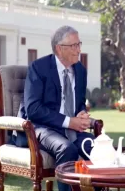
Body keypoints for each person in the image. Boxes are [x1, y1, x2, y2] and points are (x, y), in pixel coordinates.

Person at [23, 25, 96, 191]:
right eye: (73, 46)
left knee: (98, 147)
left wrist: (82, 114)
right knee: (66, 148)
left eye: (79, 44)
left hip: (72, 130)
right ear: (59, 48)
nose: (78, 50)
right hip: (43, 128)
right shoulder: (39, 68)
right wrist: (69, 122)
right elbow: (33, 109)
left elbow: (79, 103)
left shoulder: (80, 70)